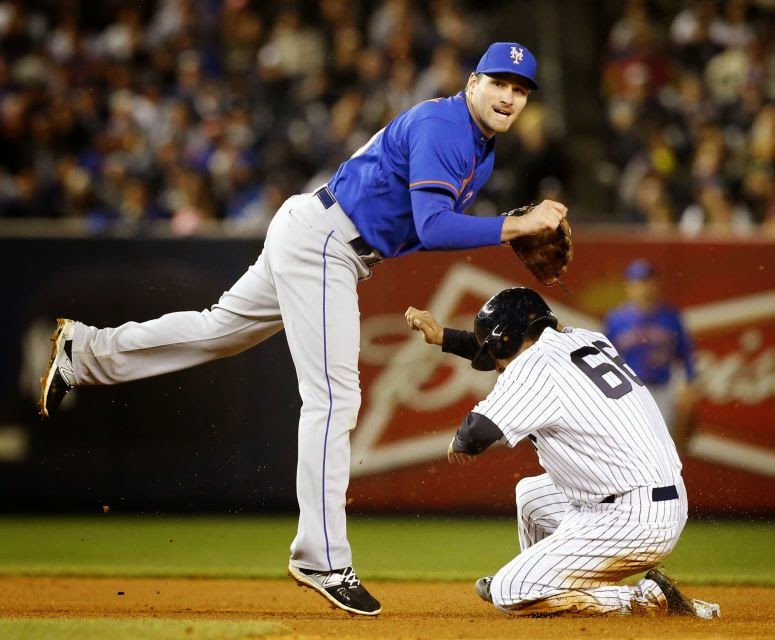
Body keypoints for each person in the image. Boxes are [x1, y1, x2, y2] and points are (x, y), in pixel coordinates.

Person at [37, 42, 568, 617]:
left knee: (218, 331)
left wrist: (506, 226)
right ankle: (321, 556)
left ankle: (84, 351)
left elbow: (418, 229)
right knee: (334, 398)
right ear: (472, 83)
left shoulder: (479, 150)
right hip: (326, 242)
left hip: (321, 233)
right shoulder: (444, 127)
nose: (508, 97)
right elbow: (436, 227)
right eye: (499, 83)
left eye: (520, 90)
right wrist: (514, 226)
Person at [404, 287, 720, 618]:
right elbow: (509, 353)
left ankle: (645, 598)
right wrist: (444, 337)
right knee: (531, 495)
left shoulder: (534, 366)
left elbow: (476, 434)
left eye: (493, 350)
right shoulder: (584, 339)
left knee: (510, 591)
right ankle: (543, 583)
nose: (494, 365)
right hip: (650, 499)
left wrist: (458, 440)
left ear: (507, 340)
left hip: (632, 520)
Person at [604, 259, 698, 452]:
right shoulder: (616, 319)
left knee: (663, 449)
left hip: (662, 391)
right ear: (629, 286)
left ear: (656, 284)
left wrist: (689, 385)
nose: (644, 288)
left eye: (647, 281)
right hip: (629, 392)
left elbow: (686, 354)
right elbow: (605, 358)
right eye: (638, 282)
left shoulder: (671, 317)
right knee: (629, 448)